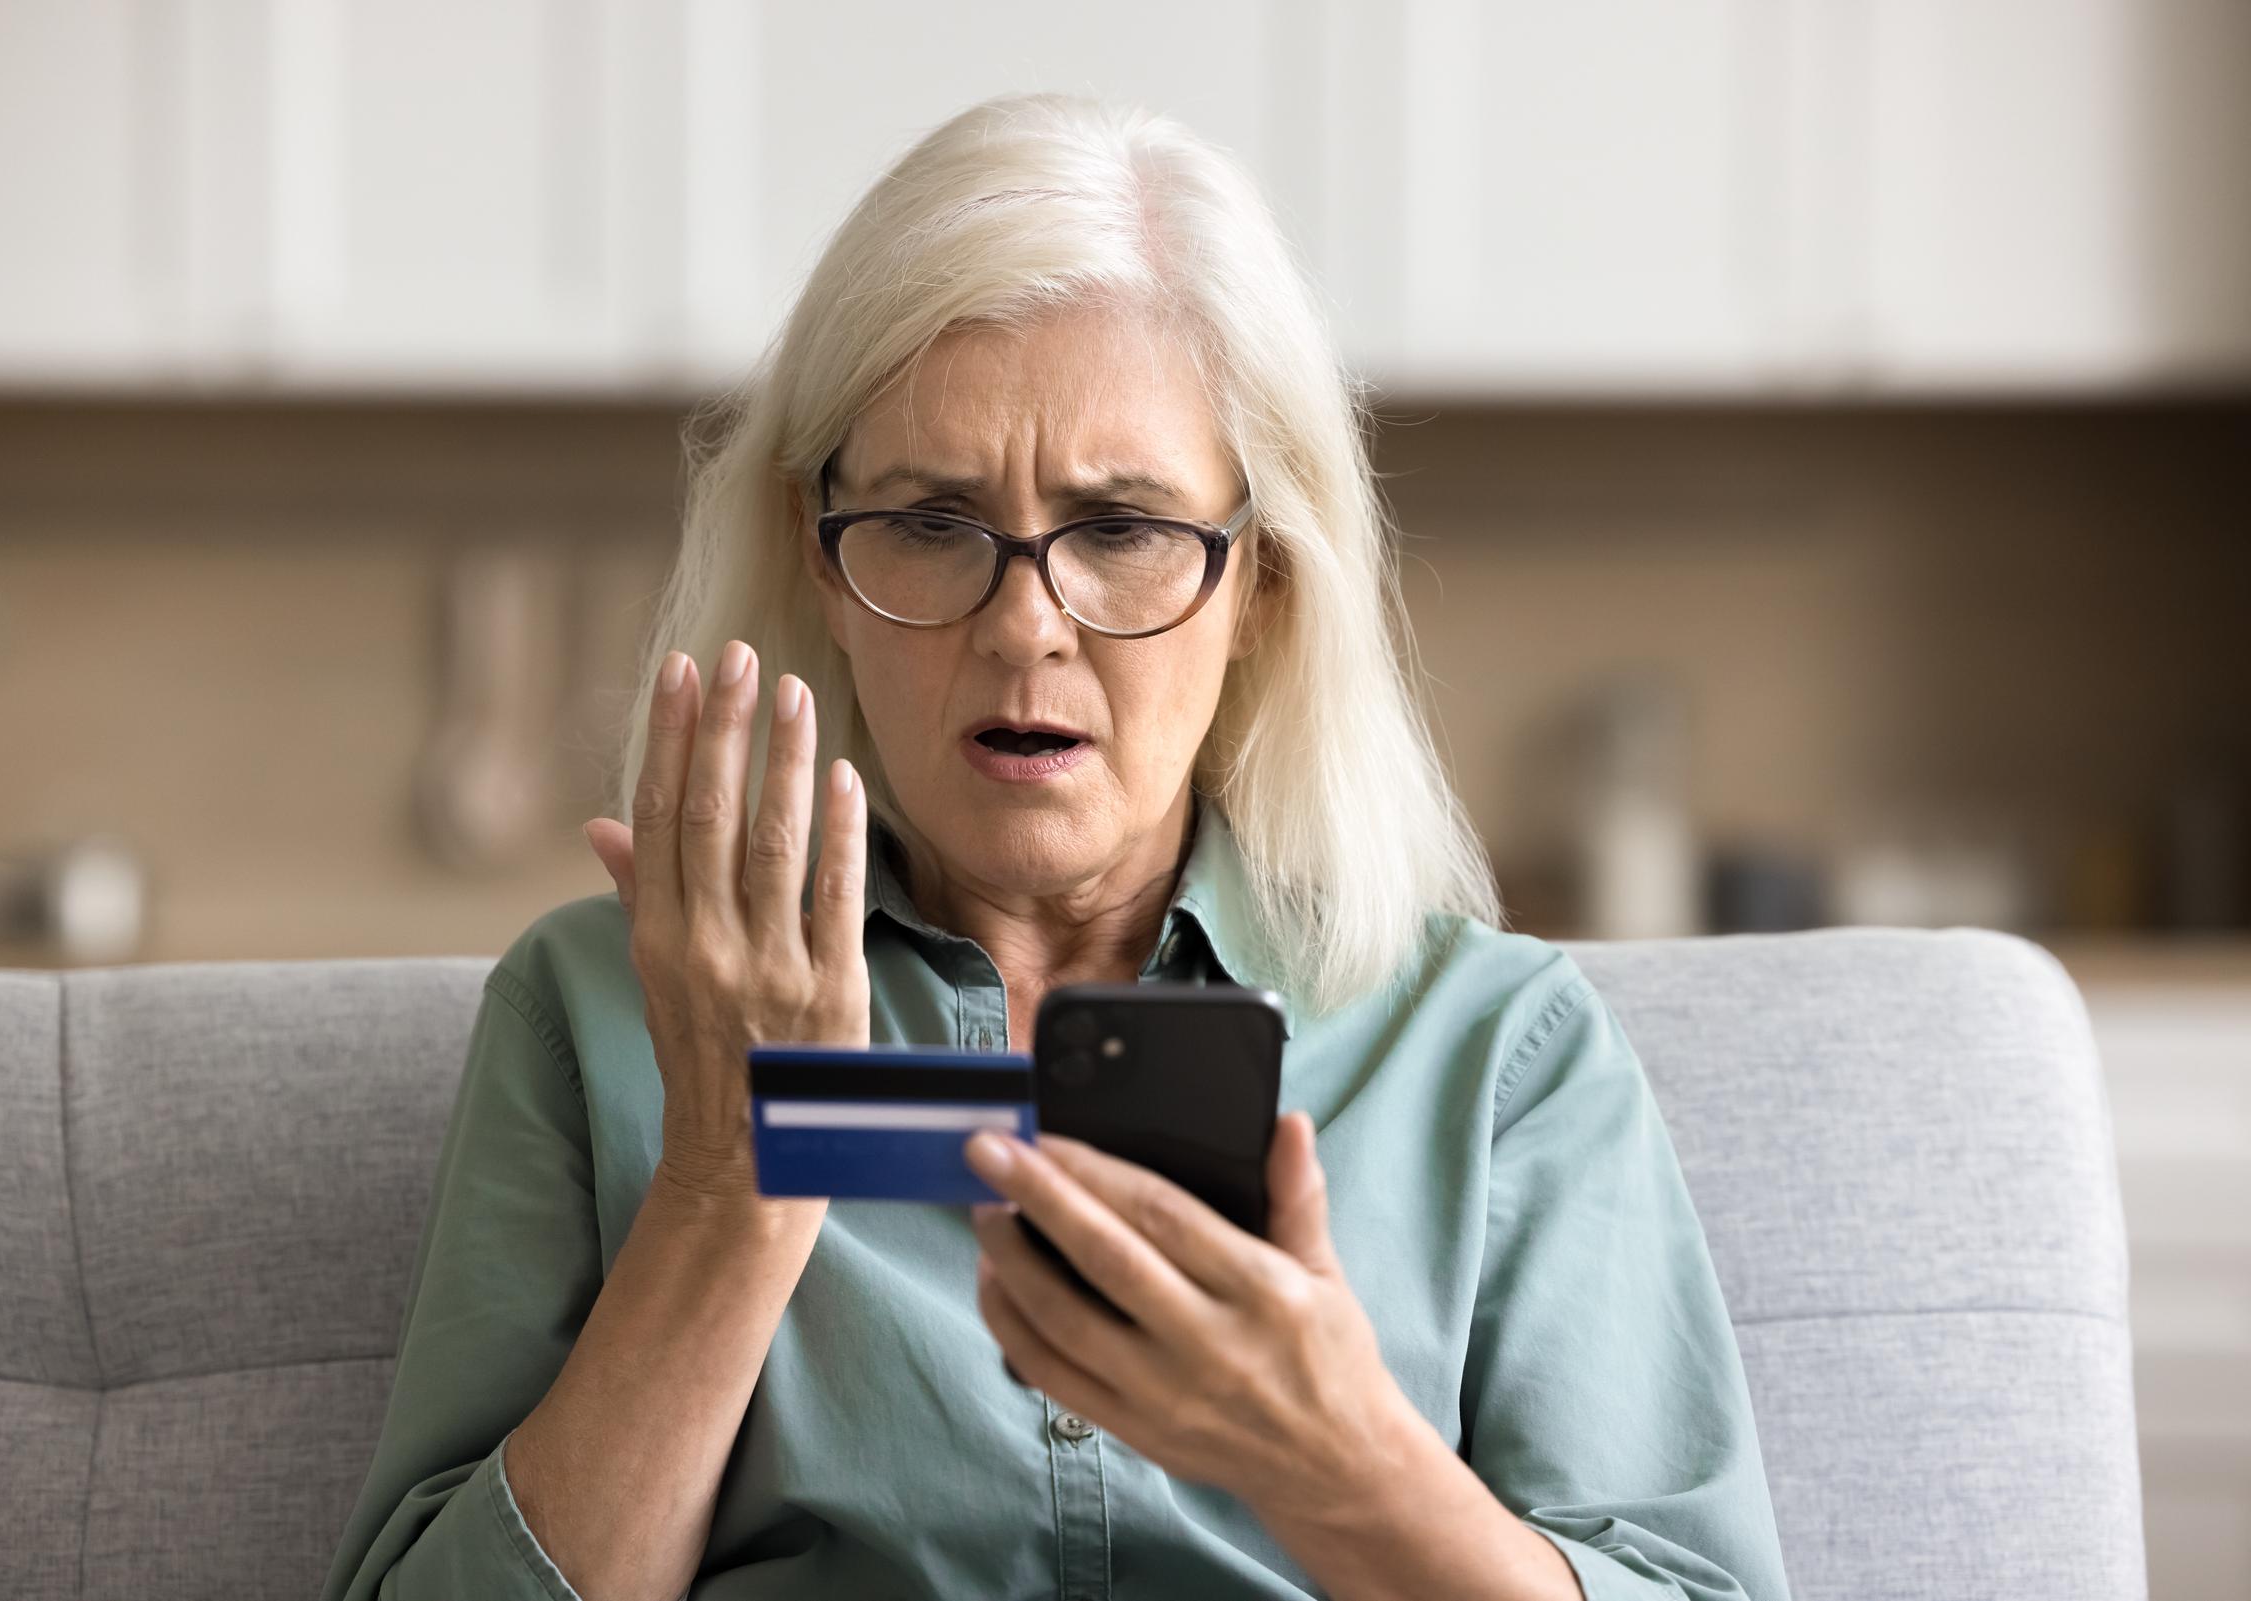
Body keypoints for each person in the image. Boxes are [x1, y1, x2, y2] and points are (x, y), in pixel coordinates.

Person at [322, 92, 1792, 1601]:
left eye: (1123, 526)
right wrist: (724, 1184)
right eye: (932, 520)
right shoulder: (605, 1012)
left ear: (1264, 586)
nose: (1026, 622)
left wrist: (1347, 1463)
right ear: (821, 561)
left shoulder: (1491, 1051)